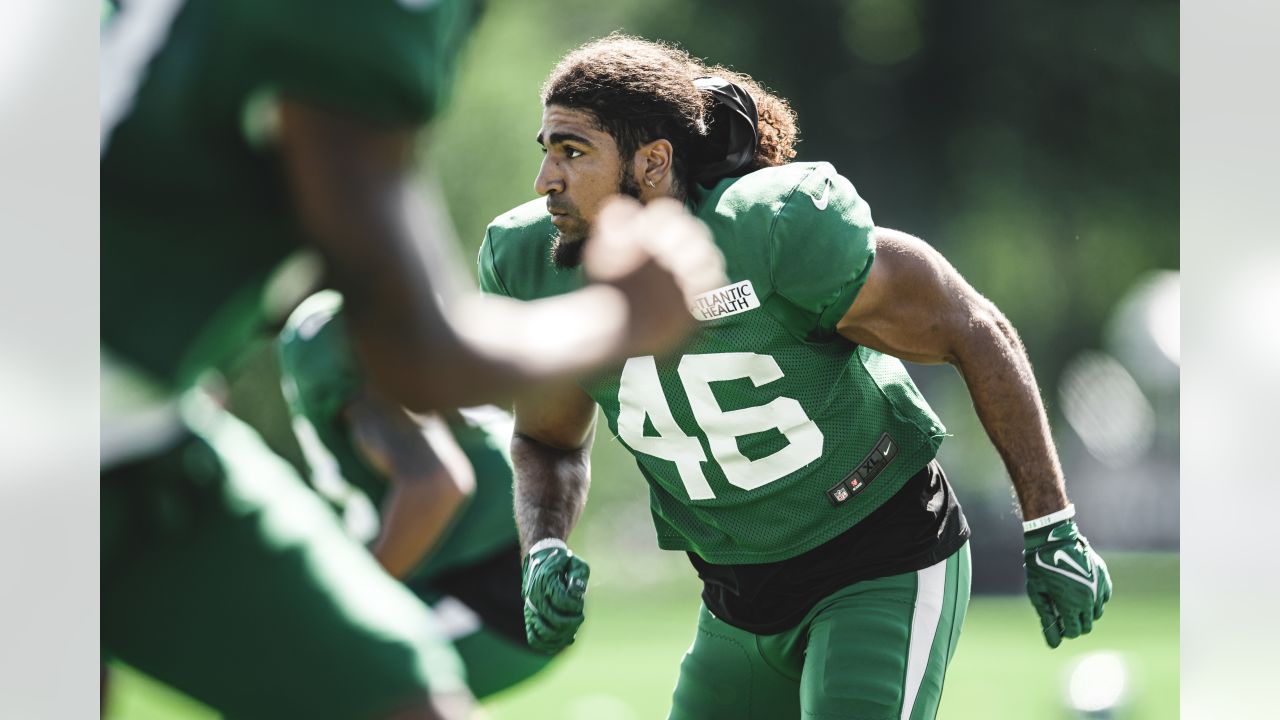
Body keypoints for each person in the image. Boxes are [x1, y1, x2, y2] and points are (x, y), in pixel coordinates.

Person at [100, 0, 723, 716]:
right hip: (61, 418)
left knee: (397, 696)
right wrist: (626, 314)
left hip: (125, 431)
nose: (545, 179)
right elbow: (418, 354)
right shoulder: (358, 23)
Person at [477, 35, 1114, 720]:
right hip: (736, 597)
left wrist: (1051, 523)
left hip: (880, 557)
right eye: (545, 150)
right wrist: (543, 544)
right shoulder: (532, 265)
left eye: (573, 152)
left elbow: (971, 327)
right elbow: (548, 440)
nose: (546, 178)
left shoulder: (771, 230)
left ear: (653, 163)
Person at [277, 290, 557, 699]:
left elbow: (434, 484)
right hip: (508, 575)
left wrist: (346, 597)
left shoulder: (331, 334)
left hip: (481, 592)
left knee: (299, 682)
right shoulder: (389, 299)